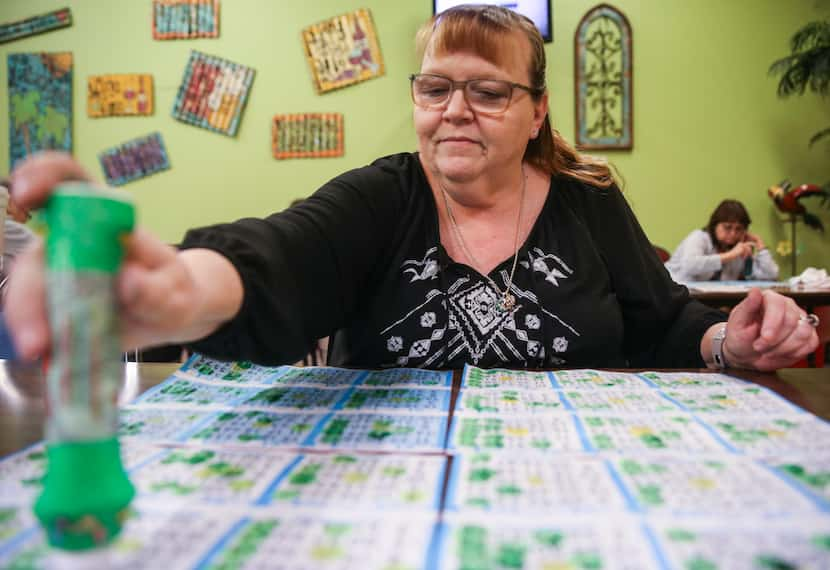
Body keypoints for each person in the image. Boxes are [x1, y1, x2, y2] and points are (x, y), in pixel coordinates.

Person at [4, 6, 818, 372]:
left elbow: (666, 323)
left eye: (489, 91)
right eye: (435, 88)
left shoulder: (588, 201)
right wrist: (181, 286)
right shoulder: (382, 197)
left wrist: (728, 342)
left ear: (535, 113)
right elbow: (283, 255)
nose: (455, 110)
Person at [665, 199, 779, 283]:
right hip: (674, 295)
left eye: (739, 229)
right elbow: (690, 266)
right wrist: (730, 255)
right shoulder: (699, 237)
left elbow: (771, 275)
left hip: (711, 301)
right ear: (715, 225)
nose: (733, 234)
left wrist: (760, 245)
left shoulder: (739, 248)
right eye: (727, 227)